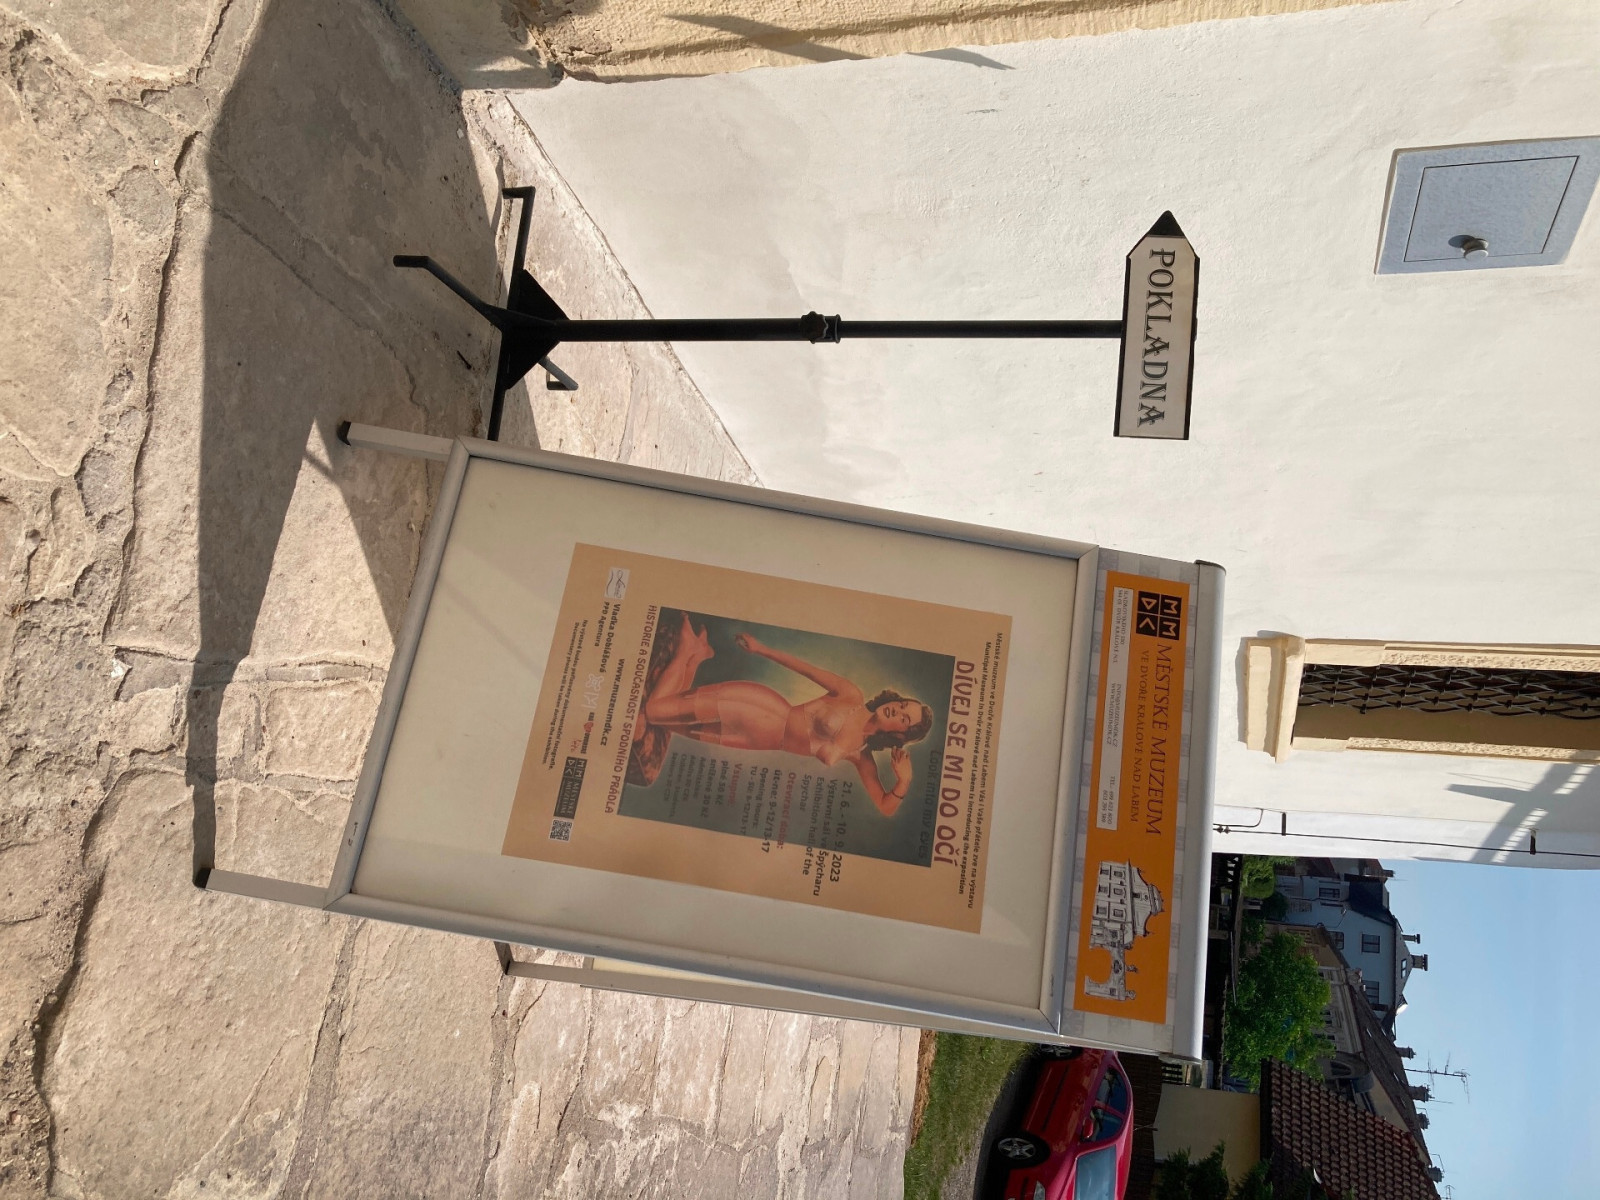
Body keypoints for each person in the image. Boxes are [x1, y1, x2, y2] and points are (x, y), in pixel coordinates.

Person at [642, 612, 933, 816]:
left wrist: (903, 781)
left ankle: (696, 656)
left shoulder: (862, 756)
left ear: (899, 734)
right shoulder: (852, 696)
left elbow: (885, 806)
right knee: (655, 712)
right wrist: (762, 650)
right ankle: (686, 651)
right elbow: (805, 669)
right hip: (761, 710)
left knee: (668, 722)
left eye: (904, 719)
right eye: (903, 705)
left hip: (759, 741)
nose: (898, 710)